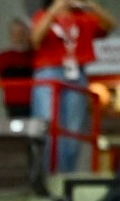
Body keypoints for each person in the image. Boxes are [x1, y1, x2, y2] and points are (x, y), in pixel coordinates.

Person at [31, 0, 116, 173]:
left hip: (77, 73)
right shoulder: (43, 14)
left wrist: (91, 5)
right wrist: (55, 10)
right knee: (48, 124)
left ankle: (65, 175)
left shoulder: (83, 17)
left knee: (73, 129)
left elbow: (110, 25)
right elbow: (35, 39)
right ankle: (47, 174)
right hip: (49, 72)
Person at [0, 18, 36, 118]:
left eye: (22, 33)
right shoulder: (3, 57)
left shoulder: (35, 56)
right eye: (15, 33)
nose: (19, 37)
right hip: (13, 101)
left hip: (35, 100)